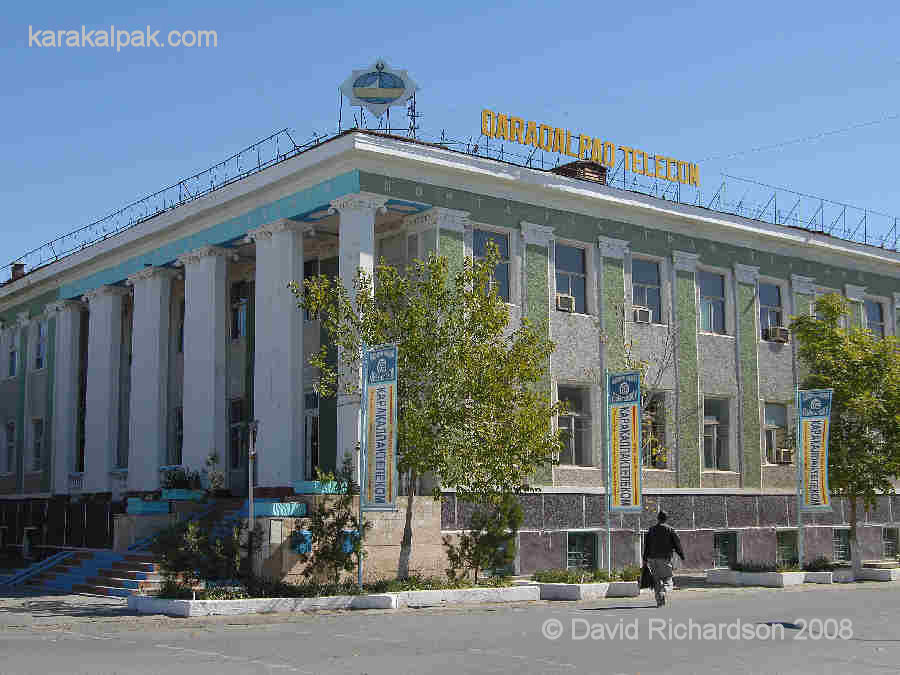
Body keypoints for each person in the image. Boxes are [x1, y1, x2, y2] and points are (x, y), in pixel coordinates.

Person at [642, 510, 685, 607]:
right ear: (666, 519)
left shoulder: (651, 530)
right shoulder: (670, 529)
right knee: (668, 579)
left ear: (657, 518)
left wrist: (645, 559)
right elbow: (677, 544)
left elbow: (646, 546)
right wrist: (682, 556)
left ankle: (659, 601)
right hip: (665, 559)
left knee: (656, 580)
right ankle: (664, 592)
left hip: (652, 559)